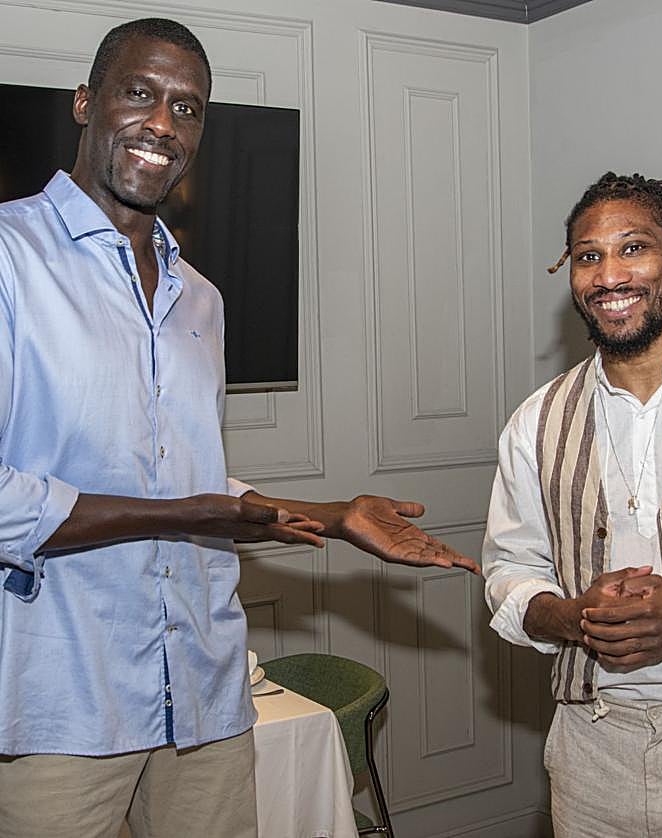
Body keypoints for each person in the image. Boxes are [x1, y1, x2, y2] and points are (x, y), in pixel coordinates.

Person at [0, 17, 478, 838]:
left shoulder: (201, 299)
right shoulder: (9, 257)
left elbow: (181, 478)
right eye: (140, 93)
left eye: (187, 109)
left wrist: (329, 515)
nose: (162, 124)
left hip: (203, 688)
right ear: (85, 102)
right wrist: (186, 516)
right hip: (62, 700)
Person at [482, 171, 662, 837]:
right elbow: (508, 573)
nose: (608, 275)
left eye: (632, 248)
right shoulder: (537, 419)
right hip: (588, 752)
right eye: (588, 256)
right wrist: (569, 616)